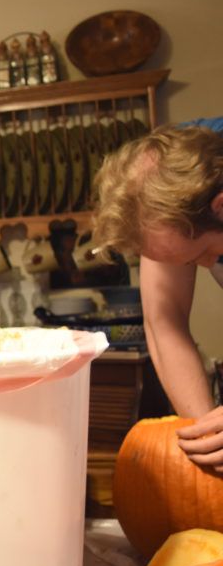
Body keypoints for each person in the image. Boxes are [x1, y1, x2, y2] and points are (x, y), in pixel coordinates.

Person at [93, 120, 223, 472]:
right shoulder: (168, 180)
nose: (212, 265)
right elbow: (165, 321)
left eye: (201, 255)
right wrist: (206, 440)